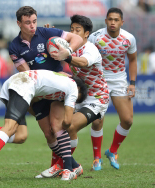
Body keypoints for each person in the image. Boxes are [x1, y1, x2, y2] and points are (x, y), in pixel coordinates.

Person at [0, 6, 83, 156]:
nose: (32, 26)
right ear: (19, 23)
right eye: (28, 22)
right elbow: (28, 74)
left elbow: (78, 38)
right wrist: (52, 75)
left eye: (34, 21)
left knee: (57, 127)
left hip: (57, 87)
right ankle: (61, 165)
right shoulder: (14, 47)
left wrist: (67, 52)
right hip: (38, 90)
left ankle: (64, 166)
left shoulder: (46, 33)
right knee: (47, 134)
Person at [0, 70, 88, 182]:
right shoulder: (73, 88)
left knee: (18, 134)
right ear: (78, 90)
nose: (70, 101)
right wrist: (62, 126)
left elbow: (32, 106)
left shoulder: (58, 82)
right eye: (75, 100)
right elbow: (67, 122)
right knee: (10, 128)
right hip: (24, 84)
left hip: (14, 82)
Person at [37, 14, 109, 178]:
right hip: (77, 94)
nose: (74, 32)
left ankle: (64, 166)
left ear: (86, 34)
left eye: (78, 30)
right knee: (55, 126)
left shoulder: (90, 49)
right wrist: (49, 36)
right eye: (72, 30)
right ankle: (58, 166)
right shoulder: (69, 45)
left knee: (69, 126)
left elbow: (83, 62)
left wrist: (67, 56)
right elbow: (55, 45)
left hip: (96, 98)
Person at [88, 7, 137, 170]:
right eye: (110, 19)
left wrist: (132, 83)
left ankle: (112, 151)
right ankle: (97, 158)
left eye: (116, 20)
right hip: (99, 80)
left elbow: (133, 60)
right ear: (106, 21)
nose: (113, 22)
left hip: (119, 81)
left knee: (128, 120)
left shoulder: (129, 38)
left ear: (122, 22)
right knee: (96, 120)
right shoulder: (95, 37)